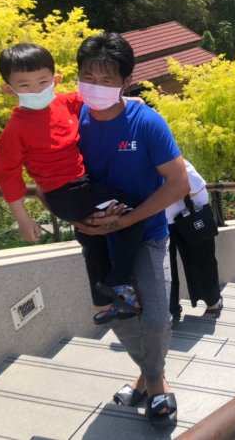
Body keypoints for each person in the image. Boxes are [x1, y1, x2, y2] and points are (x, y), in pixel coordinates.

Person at [71, 32, 189, 427]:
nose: (97, 86)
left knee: (154, 316)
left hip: (146, 232)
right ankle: (150, 378)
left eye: (107, 79)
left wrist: (128, 219)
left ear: (124, 81)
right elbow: (49, 179)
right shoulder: (71, 121)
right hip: (95, 235)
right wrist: (76, 219)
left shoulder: (146, 122)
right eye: (89, 76)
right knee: (114, 314)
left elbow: (178, 184)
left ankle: (155, 385)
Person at [0, 43, 145, 324]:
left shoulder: (63, 103)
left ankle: (104, 299)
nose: (36, 90)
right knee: (132, 211)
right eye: (24, 85)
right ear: (8, 89)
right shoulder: (15, 130)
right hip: (65, 194)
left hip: (82, 187)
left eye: (42, 81)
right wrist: (23, 219)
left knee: (92, 236)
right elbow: (6, 174)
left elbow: (94, 102)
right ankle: (119, 281)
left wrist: (131, 103)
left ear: (55, 79)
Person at [166, 160, 222, 326]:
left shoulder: (177, 161)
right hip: (159, 223)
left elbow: (199, 189)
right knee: (165, 271)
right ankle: (171, 310)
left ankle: (213, 302)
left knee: (202, 262)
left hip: (186, 219)